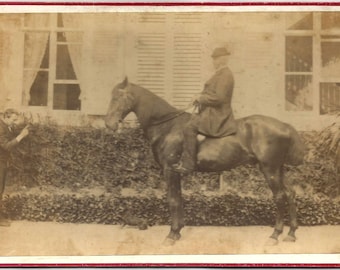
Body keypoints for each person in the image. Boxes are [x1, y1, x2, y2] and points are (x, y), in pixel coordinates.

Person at [172, 46, 237, 175]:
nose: (213, 62)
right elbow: (210, 93)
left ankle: (188, 164)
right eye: (214, 59)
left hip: (218, 115)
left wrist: (201, 98)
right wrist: (198, 97)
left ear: (222, 60)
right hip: (210, 112)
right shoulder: (220, 74)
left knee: (189, 128)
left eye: (215, 59)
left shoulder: (226, 75)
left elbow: (219, 97)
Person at [0, 108, 29, 226]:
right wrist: (21, 135)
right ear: (6, 117)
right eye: (13, 119)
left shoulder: (6, 126)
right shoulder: (0, 128)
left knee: (0, 190)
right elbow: (6, 146)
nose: (14, 122)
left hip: (2, 162)